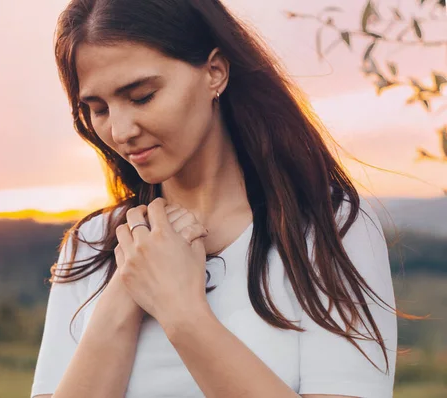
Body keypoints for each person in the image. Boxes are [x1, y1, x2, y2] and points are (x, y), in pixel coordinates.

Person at [31, 0, 399, 397]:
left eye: (141, 97)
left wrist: (181, 313)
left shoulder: (328, 228)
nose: (120, 131)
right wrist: (121, 298)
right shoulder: (92, 246)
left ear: (215, 72)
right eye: (98, 109)